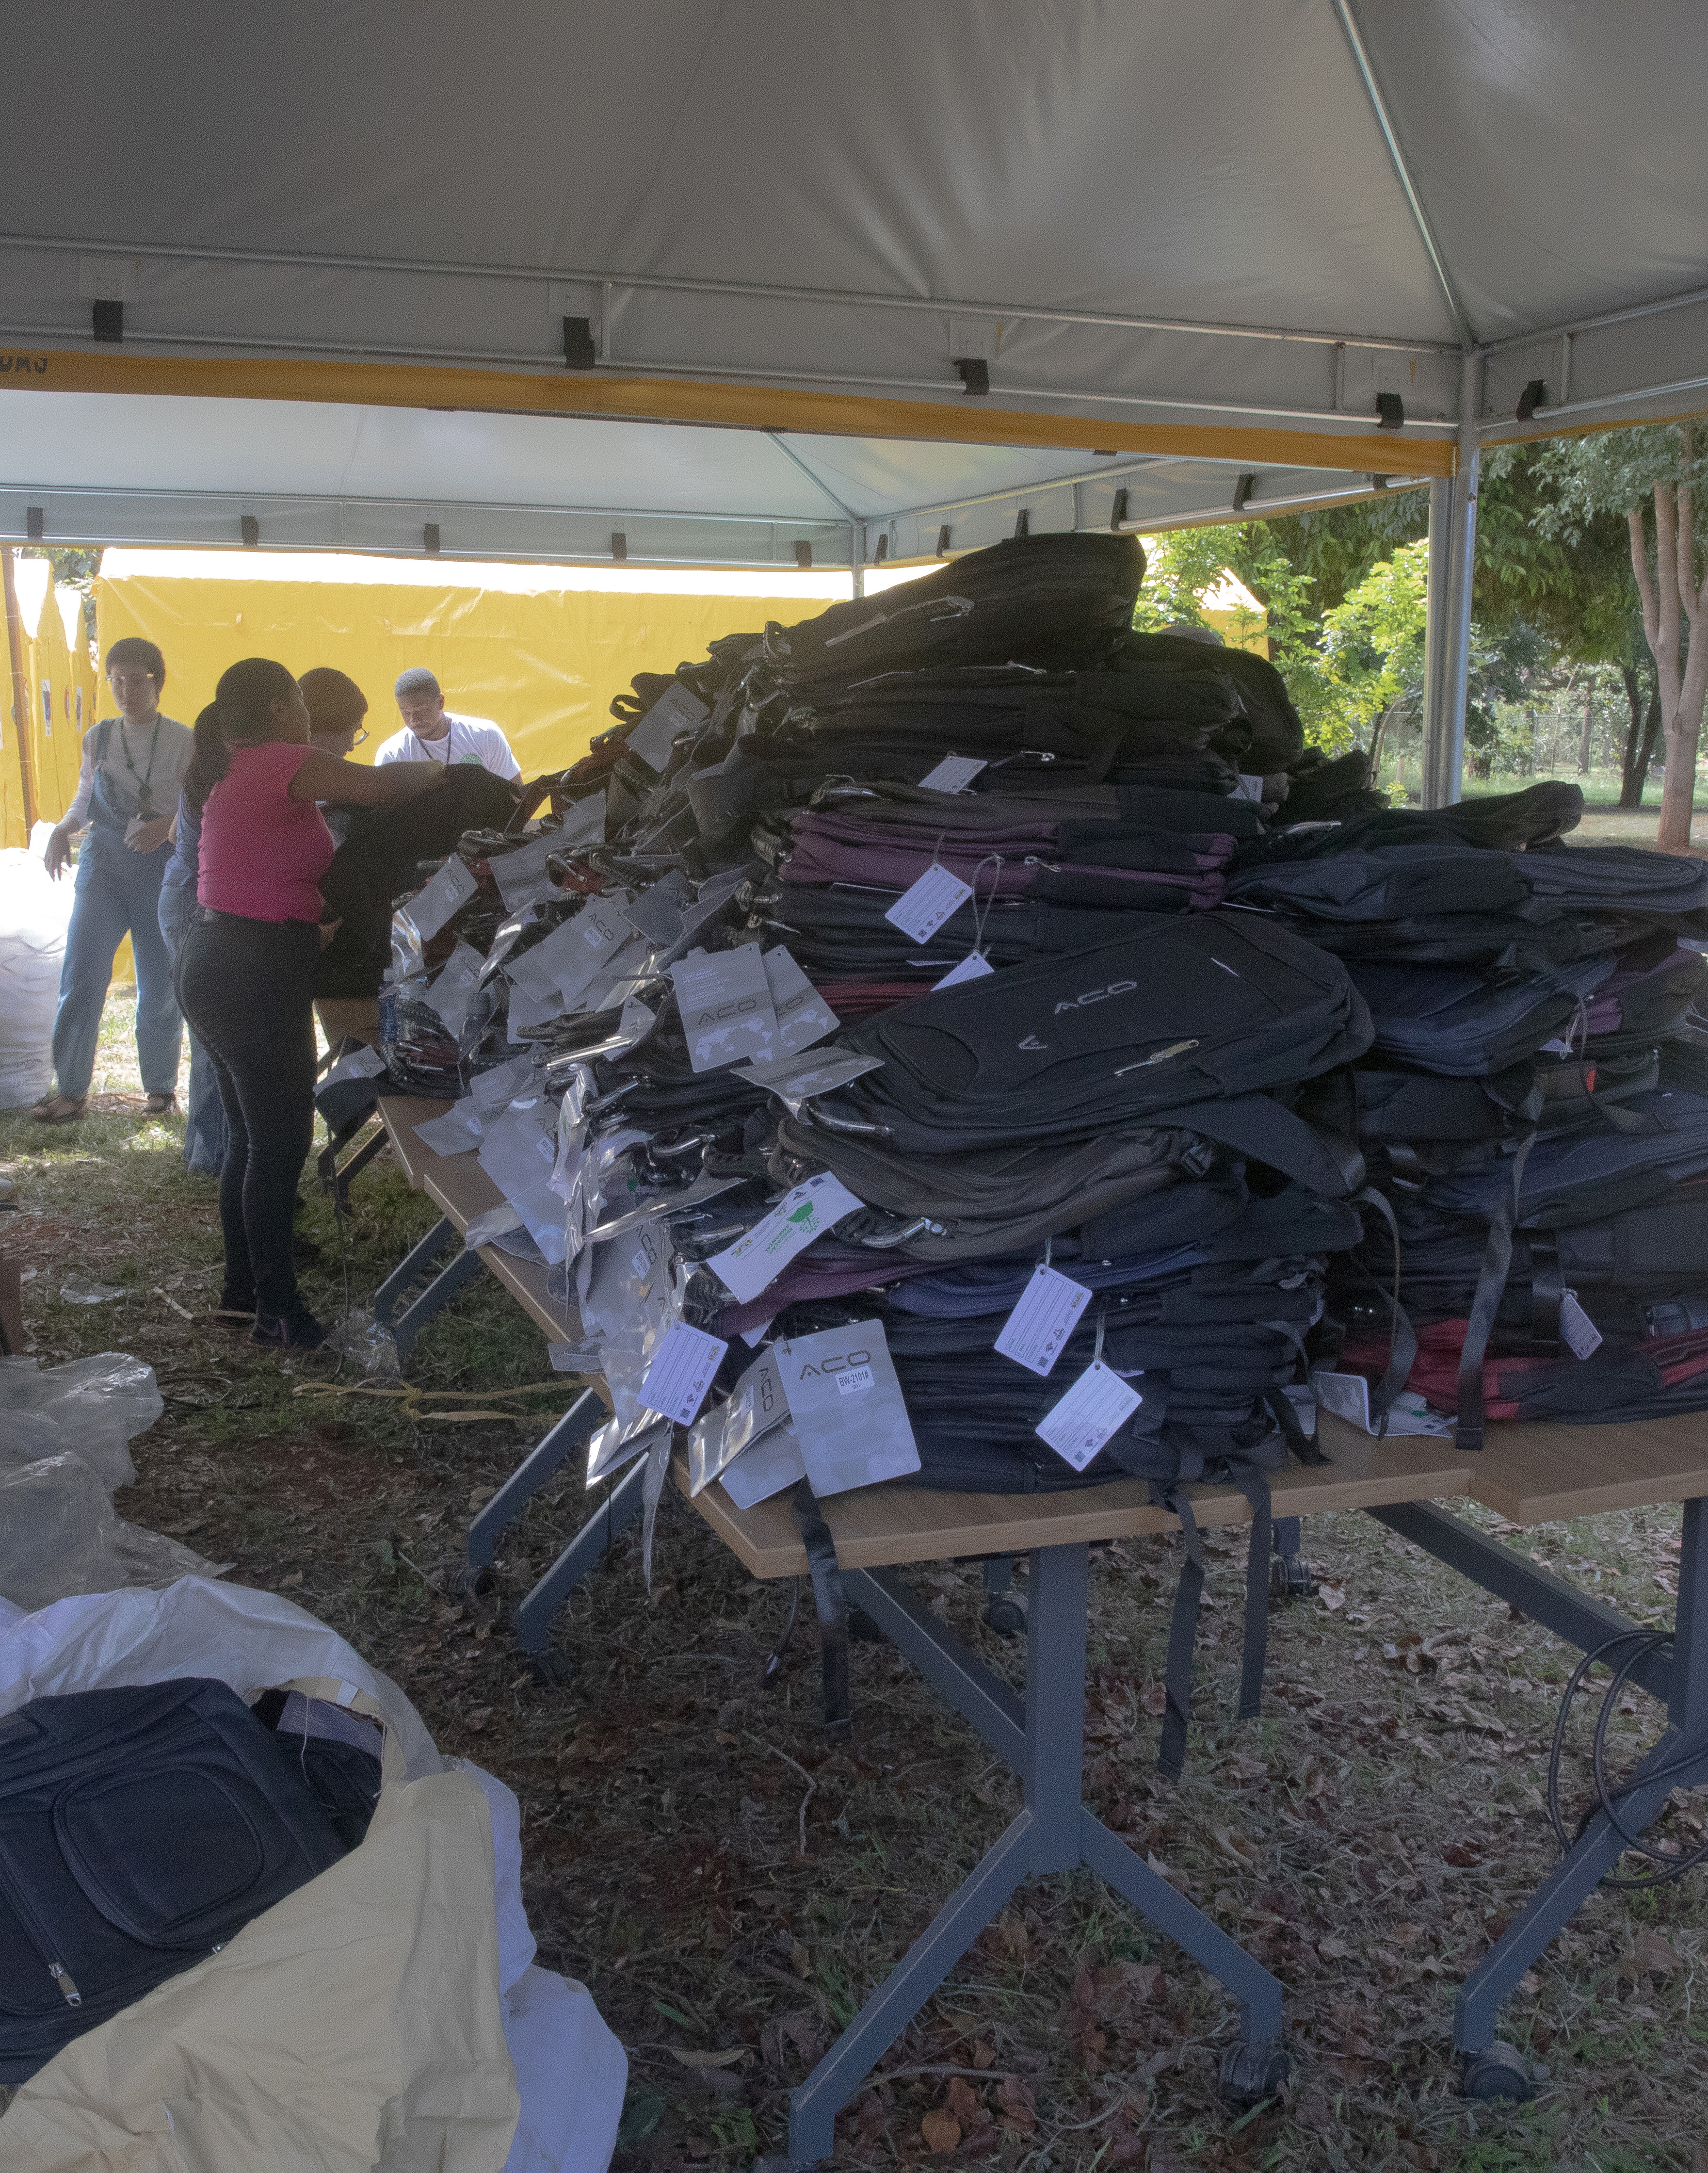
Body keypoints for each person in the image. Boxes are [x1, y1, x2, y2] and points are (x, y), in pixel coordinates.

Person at [175, 658, 443, 1350]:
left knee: (249, 1139)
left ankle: (246, 1293)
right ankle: (278, 1314)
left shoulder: (236, 766)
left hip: (220, 959)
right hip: (250, 970)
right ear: (276, 708)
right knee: (279, 1144)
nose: (303, 709)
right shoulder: (278, 759)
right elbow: (382, 786)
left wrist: (311, 920)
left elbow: (269, 870)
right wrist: (445, 774)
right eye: (296, 698)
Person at [34, 638, 193, 1124]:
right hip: (102, 866)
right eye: (117, 679)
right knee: (82, 974)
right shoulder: (98, 737)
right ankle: (71, 1090)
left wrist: (167, 822)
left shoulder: (184, 740)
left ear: (157, 683)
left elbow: (199, 805)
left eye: (137, 679)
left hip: (161, 867)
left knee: (159, 981)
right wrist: (63, 829)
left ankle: (161, 1090)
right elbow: (86, 796)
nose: (127, 689)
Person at [374, 667, 520, 779]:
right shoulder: (392, 754)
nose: (413, 720)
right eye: (405, 713)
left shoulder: (486, 736)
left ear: (440, 702)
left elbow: (516, 797)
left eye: (421, 710)